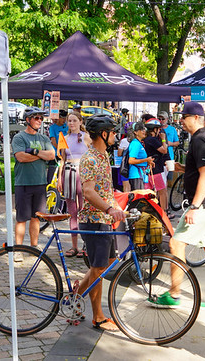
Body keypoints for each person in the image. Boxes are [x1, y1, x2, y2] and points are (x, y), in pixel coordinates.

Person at [151, 101, 205, 313]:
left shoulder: (201, 140)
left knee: (176, 243)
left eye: (184, 117)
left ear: (196, 118)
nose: (181, 121)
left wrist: (195, 206)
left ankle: (174, 293)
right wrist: (182, 168)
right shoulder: (202, 138)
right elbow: (203, 168)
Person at [76, 114, 125, 333]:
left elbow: (105, 189)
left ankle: (76, 295)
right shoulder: (90, 158)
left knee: (108, 262)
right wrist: (109, 208)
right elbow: (88, 192)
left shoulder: (103, 155)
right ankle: (98, 317)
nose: (116, 135)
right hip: (94, 219)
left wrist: (123, 201)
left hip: (105, 218)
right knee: (98, 268)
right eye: (113, 132)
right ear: (103, 134)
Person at [11, 107, 55, 249]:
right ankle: (18, 249)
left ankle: (34, 247)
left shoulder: (44, 138)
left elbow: (51, 155)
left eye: (41, 118)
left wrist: (34, 151)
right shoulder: (19, 137)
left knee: (36, 217)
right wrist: (40, 155)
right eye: (36, 118)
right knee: (22, 218)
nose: (39, 121)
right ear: (28, 120)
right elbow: (21, 157)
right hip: (23, 183)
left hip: (40, 183)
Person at [59, 111, 91, 258]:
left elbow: (92, 155)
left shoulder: (86, 137)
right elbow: (62, 159)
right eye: (69, 121)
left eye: (74, 120)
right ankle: (74, 245)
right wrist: (60, 178)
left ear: (80, 122)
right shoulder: (64, 138)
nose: (71, 123)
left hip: (83, 173)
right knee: (72, 211)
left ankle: (86, 244)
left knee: (84, 209)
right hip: (68, 172)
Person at [143, 118, 169, 211]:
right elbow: (164, 150)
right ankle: (164, 212)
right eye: (158, 129)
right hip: (157, 169)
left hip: (148, 170)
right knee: (162, 192)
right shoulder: (153, 140)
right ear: (155, 129)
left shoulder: (145, 140)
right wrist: (163, 140)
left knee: (150, 192)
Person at [127, 122, 153, 190]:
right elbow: (131, 160)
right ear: (135, 132)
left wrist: (148, 162)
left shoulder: (138, 143)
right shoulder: (136, 144)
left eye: (144, 129)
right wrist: (146, 160)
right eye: (141, 129)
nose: (144, 131)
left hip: (139, 175)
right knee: (138, 198)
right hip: (136, 175)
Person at [47, 109, 68, 183]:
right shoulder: (53, 127)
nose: (64, 120)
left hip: (66, 153)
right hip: (56, 153)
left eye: (65, 118)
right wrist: (60, 151)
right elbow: (53, 141)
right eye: (62, 118)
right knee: (53, 173)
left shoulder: (67, 127)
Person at [159, 111, 180, 182]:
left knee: (169, 178)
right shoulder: (157, 129)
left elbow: (177, 142)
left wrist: (170, 144)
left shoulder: (172, 129)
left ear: (167, 119)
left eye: (163, 119)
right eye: (160, 119)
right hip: (159, 157)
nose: (161, 121)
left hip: (169, 156)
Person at [117, 127, 133, 192]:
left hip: (125, 166)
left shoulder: (124, 141)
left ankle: (127, 201)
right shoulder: (138, 141)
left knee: (126, 187)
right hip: (135, 167)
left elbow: (119, 154)